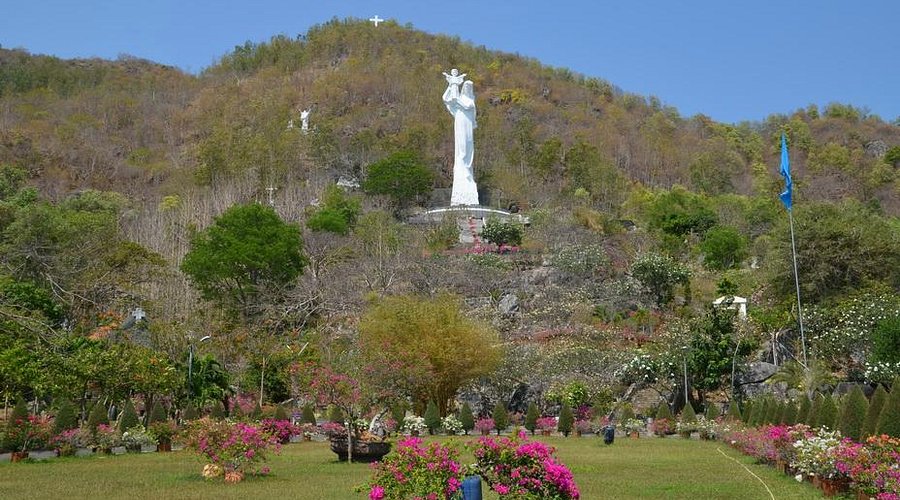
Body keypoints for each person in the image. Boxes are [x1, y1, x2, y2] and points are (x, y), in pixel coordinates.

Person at [442, 79, 479, 206]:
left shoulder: (469, 100)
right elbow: (446, 99)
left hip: (468, 126)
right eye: (467, 87)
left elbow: (471, 110)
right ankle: (463, 166)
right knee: (461, 147)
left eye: (471, 87)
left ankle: (467, 170)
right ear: (464, 88)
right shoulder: (457, 101)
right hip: (460, 124)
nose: (469, 89)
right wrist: (451, 85)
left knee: (469, 147)